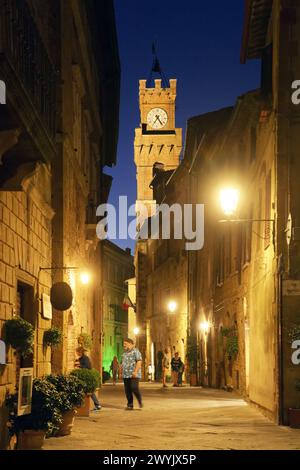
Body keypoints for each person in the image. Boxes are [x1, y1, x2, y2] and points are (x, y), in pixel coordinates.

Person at [75, 347, 102, 411]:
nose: (76, 353)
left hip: (85, 377)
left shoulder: (85, 358)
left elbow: (87, 366)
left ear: (80, 352)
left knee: (89, 391)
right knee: (88, 391)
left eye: (77, 352)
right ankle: (97, 405)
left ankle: (97, 405)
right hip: (83, 376)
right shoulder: (81, 358)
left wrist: (79, 365)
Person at [120, 338, 143, 410]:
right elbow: (122, 363)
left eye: (125, 344)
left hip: (134, 374)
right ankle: (130, 404)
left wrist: (135, 371)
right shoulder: (124, 353)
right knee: (127, 390)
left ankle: (139, 400)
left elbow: (139, 362)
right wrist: (120, 372)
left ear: (131, 344)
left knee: (134, 387)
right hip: (126, 375)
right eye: (123, 344)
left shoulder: (136, 351)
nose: (124, 346)